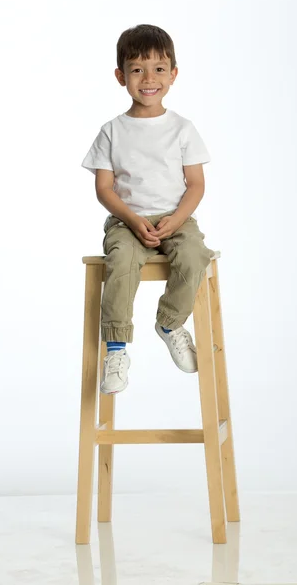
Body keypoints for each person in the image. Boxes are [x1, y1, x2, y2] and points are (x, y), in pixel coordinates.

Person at [81, 24, 214, 395]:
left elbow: (196, 184)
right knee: (121, 263)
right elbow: (104, 188)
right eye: (137, 69)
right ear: (121, 76)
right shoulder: (111, 131)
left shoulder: (182, 128)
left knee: (194, 256)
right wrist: (133, 219)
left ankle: (170, 323)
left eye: (159, 68)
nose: (148, 78)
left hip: (177, 217)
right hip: (128, 220)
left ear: (173, 74)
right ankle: (117, 349)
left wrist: (176, 219)